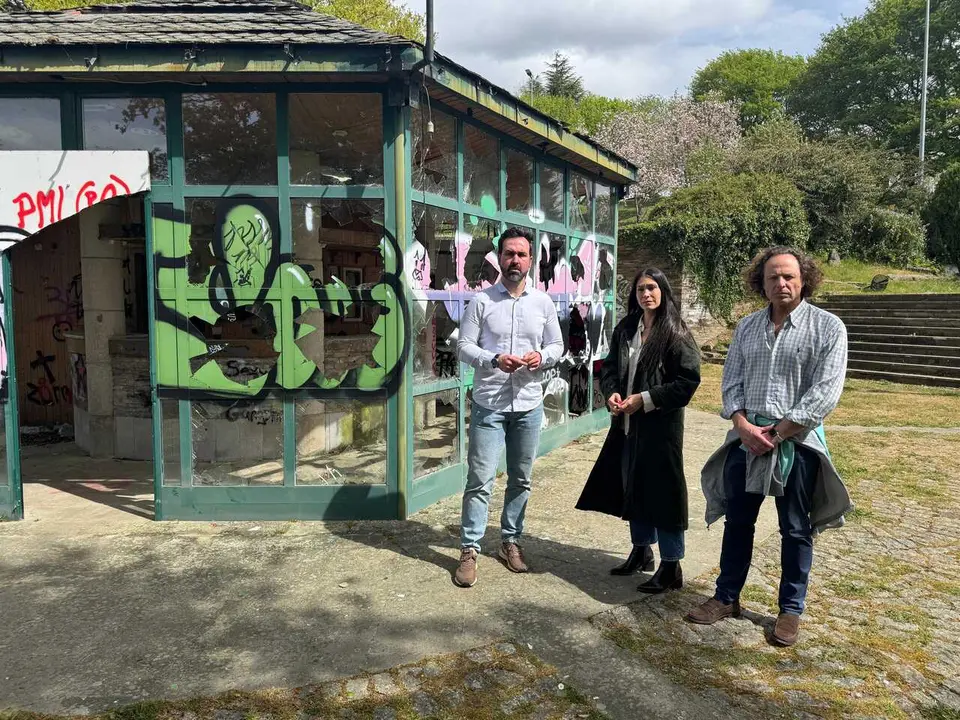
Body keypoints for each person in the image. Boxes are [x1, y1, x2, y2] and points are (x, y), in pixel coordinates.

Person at [687, 247, 852, 647]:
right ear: (760, 283)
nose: (781, 283)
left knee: (796, 528)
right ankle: (727, 597)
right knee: (738, 522)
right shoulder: (746, 328)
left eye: (789, 276)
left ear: (804, 278)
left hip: (797, 443)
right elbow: (731, 382)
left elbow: (825, 394)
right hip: (746, 441)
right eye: (772, 277)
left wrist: (777, 434)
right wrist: (743, 426)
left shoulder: (828, 328)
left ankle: (790, 609)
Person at [576, 269, 701, 593]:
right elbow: (610, 369)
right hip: (627, 427)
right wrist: (612, 393)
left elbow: (687, 383)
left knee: (665, 496)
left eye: (652, 288)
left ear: (664, 291)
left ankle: (671, 565)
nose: (646, 294)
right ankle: (641, 550)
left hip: (660, 431)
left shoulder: (675, 332)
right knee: (634, 489)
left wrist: (645, 399)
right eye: (641, 288)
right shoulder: (627, 327)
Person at [454, 227, 564, 588]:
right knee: (480, 480)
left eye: (521, 254)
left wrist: (542, 357)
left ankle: (510, 541)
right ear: (498, 258)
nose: (514, 260)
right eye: (508, 254)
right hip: (489, 404)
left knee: (521, 479)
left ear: (530, 260)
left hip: (529, 405)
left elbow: (557, 346)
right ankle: (470, 549)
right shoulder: (481, 302)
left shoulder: (543, 303)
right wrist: (493, 359)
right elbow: (464, 346)